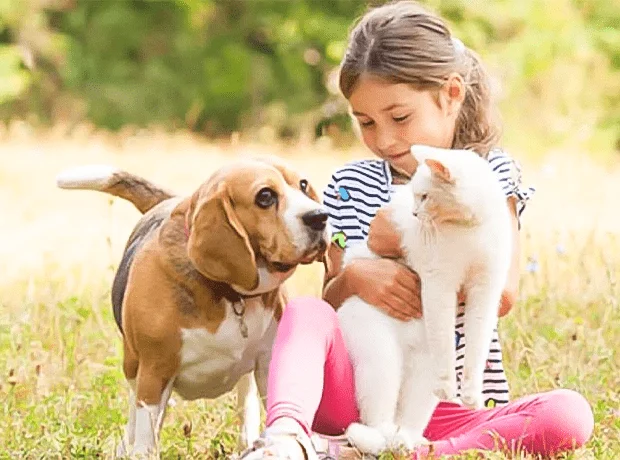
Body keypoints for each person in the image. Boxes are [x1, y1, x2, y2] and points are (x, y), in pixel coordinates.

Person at [238, 1, 594, 458]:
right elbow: (332, 299)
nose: (384, 139)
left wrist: (407, 245)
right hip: (360, 388)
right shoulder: (350, 185)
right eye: (365, 122)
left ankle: (412, 451)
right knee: (305, 312)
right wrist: (356, 277)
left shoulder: (491, 176)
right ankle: (286, 439)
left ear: (451, 94)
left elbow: (501, 293)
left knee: (567, 415)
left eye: (400, 118)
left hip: (449, 405)